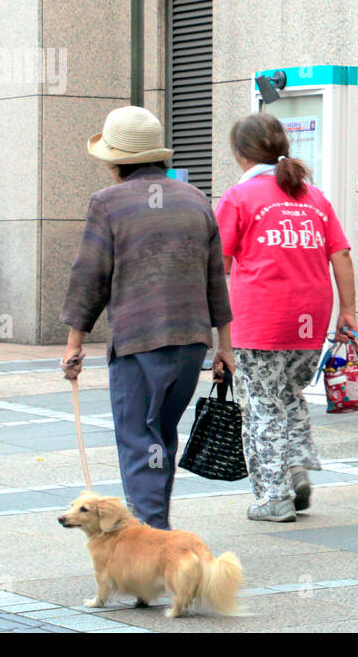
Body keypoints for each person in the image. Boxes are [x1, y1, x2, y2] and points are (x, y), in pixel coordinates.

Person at [59, 106, 235, 530]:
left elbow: (90, 274)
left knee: (140, 440)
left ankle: (151, 542)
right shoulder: (195, 199)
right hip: (191, 342)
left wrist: (73, 344)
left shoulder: (109, 203)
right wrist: (225, 347)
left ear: (116, 160)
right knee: (161, 438)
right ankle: (156, 533)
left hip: (138, 343)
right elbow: (216, 277)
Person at [215, 112, 357, 523]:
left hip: (261, 318)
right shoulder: (314, 197)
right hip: (312, 315)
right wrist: (348, 311)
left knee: (261, 405)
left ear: (240, 154)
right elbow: (341, 255)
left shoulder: (239, 197)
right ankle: (296, 469)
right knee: (290, 395)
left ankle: (274, 496)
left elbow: (218, 264)